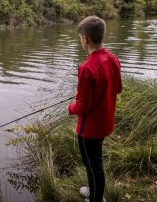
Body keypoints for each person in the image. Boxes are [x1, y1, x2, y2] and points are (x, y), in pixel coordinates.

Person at [67, 16, 122, 202]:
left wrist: (70, 107)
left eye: (80, 37)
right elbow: (118, 88)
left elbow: (82, 107)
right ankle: (94, 191)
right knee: (95, 163)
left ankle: (96, 198)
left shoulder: (86, 68)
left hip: (88, 130)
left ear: (85, 39)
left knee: (93, 166)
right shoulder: (113, 59)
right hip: (105, 123)